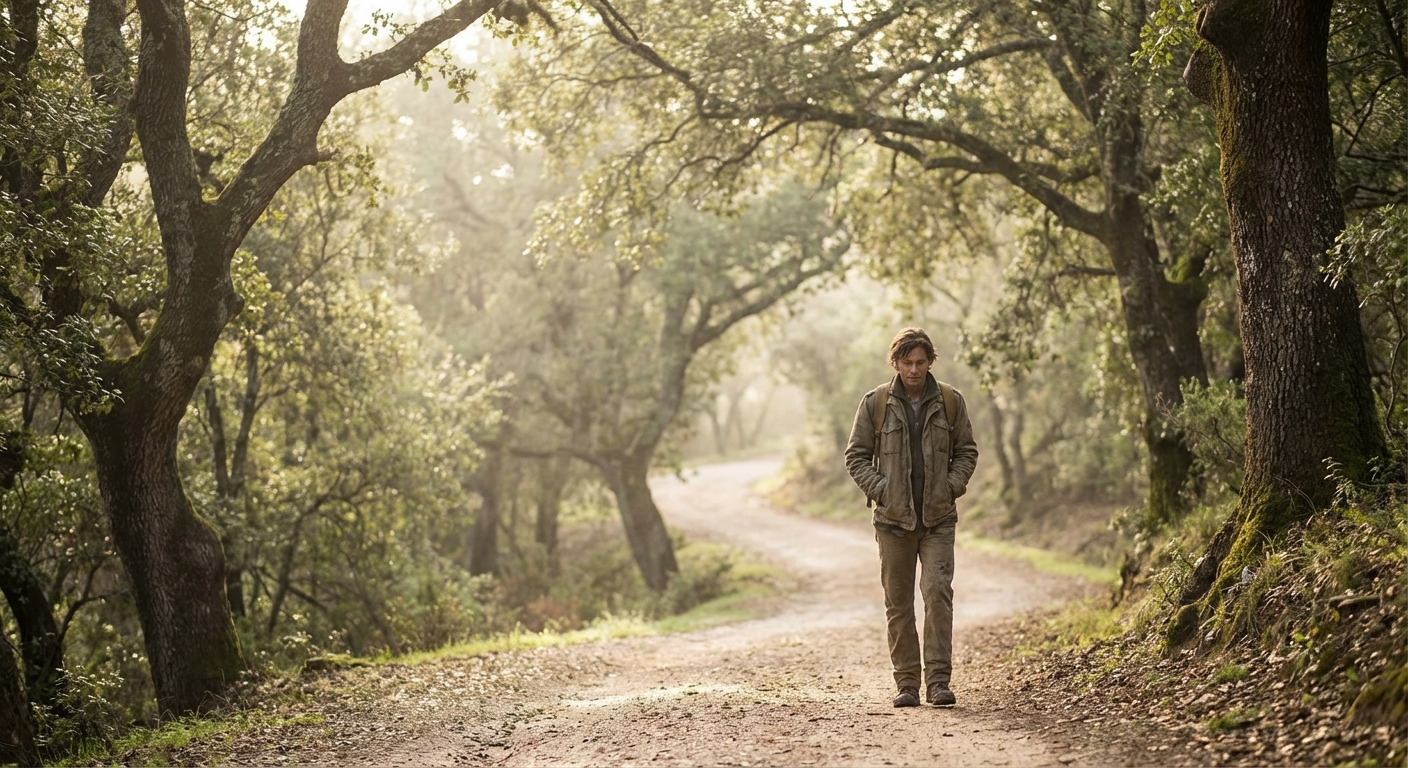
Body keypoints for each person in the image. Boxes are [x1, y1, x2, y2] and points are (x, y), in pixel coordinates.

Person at [844, 327, 979, 708]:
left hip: (938, 519)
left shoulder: (951, 401)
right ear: (896, 362)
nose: (914, 369)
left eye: (921, 362)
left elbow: (967, 451)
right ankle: (906, 684)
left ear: (930, 362)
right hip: (892, 522)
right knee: (898, 603)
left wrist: (950, 486)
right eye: (907, 362)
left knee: (937, 594)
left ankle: (938, 682)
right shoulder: (876, 403)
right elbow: (855, 456)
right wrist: (883, 489)